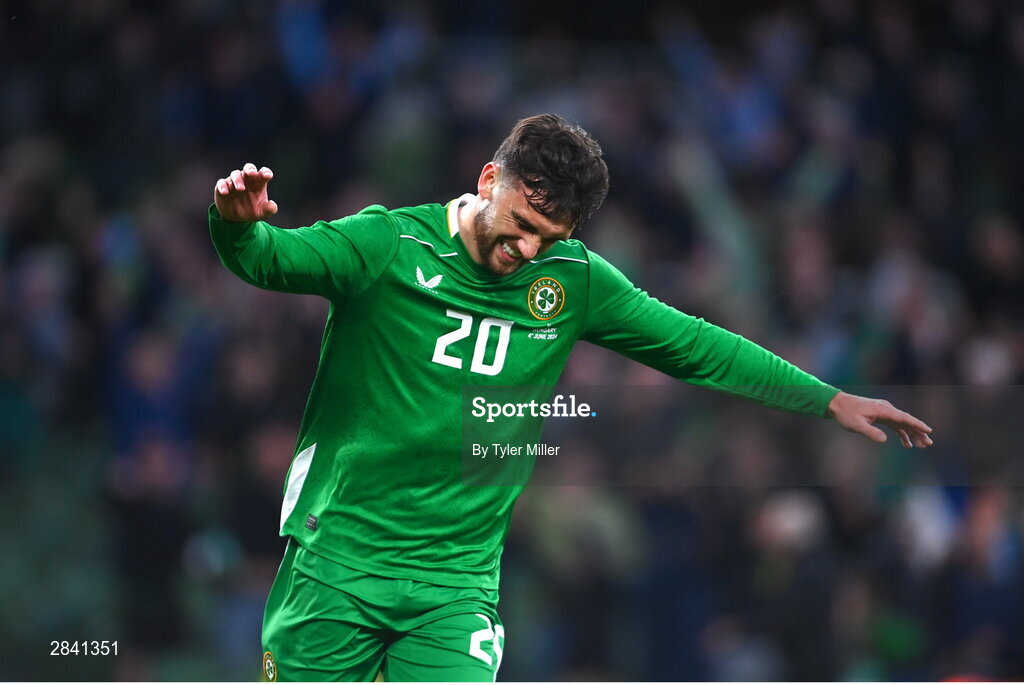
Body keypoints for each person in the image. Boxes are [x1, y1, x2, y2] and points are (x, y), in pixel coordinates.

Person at [209, 114, 933, 682]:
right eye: (521, 225)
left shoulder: (572, 281)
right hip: (338, 561)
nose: (526, 250)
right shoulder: (387, 246)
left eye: (547, 237)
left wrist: (827, 399)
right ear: (490, 178)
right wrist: (235, 224)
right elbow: (271, 258)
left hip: (453, 584)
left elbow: (696, 345)